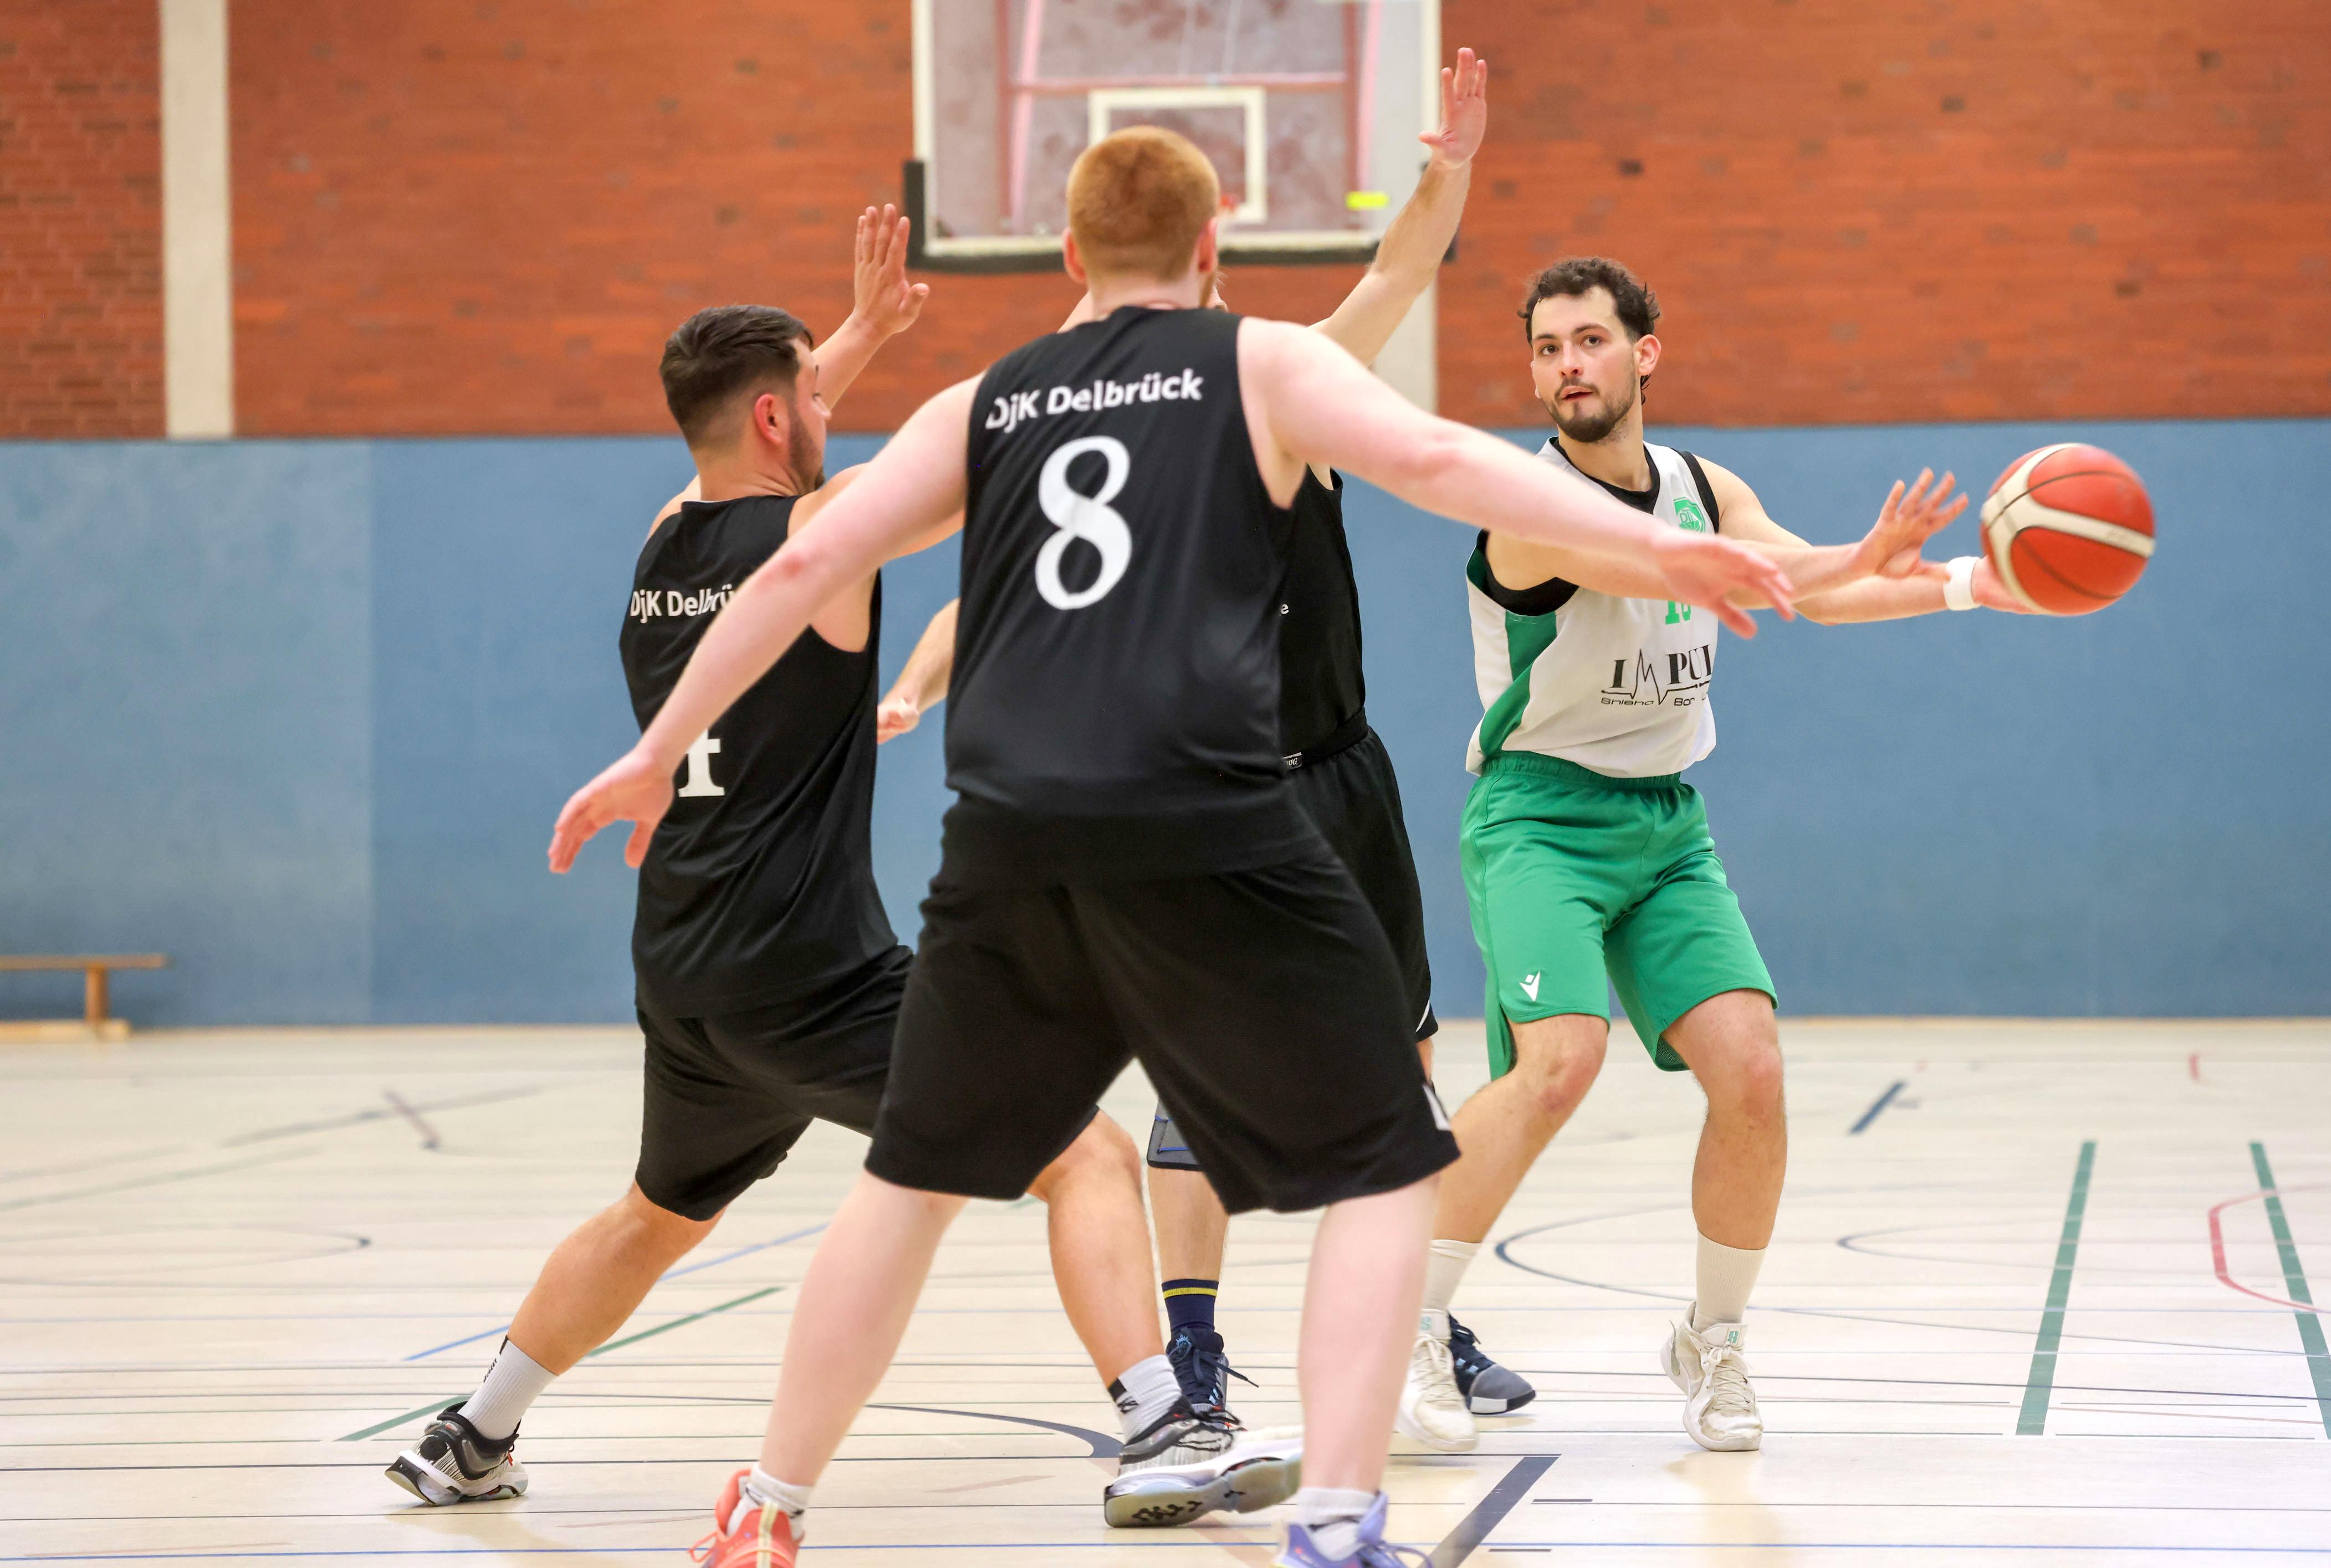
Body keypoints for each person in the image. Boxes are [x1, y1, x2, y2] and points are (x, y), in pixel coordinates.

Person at [548, 127, 1797, 1568]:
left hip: (1009, 834)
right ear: (1210, 251)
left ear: (1068, 255)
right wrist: (1662, 552)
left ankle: (769, 1500)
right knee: (1391, 1159)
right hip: (1204, 816)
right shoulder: (1257, 363)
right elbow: (1443, 462)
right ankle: (1336, 1517)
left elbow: (805, 560)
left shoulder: (987, 400)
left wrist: (656, 746)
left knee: (907, 1186)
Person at [387, 210, 1190, 1521]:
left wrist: (856, 335)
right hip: (811, 975)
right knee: (1086, 1150)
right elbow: (1003, 432)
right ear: (777, 416)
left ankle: (472, 1432)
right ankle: (1163, 1420)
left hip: (687, 971)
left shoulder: (663, 540)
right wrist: (1102, 311)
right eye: (814, 394)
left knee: (656, 1212)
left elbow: (761, 446)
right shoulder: (825, 543)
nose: (830, 407)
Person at [873, 48, 1532, 1453]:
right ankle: (1191, 1335)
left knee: (1407, 1052)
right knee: (1191, 1076)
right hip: (1215, 790)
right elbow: (982, 594)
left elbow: (1402, 268)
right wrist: (918, 683)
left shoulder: (1288, 378)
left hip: (1339, 772)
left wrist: (1453, 169)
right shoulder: (1099, 420)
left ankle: (1418, 1316)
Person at [1423, 254, 2032, 1455]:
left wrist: (1974, 582)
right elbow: (1692, 570)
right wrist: (1855, 552)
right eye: (1546, 348)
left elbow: (1817, 594)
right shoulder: (1530, 503)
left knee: (1750, 1068)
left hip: (1663, 823)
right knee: (1560, 1061)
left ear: (1644, 352)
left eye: (1590, 340)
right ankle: (1407, 1316)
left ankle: (1714, 1339)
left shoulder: (1703, 482)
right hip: (1540, 814)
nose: (1566, 366)